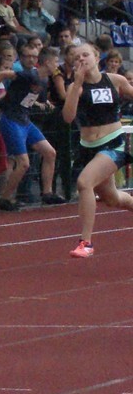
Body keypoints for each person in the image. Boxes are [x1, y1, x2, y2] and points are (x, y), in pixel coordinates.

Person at [61, 43, 133, 258]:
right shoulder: (76, 86)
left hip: (113, 143)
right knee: (112, 199)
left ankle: (86, 242)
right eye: (76, 57)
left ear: (96, 57)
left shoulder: (114, 80)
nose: (81, 59)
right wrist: (77, 84)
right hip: (88, 147)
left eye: (85, 55)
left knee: (85, 183)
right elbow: (68, 117)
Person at [0, 46, 64, 210]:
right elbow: (0, 75)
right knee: (23, 163)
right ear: (47, 62)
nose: (58, 65)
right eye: (56, 62)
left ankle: (47, 193)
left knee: (50, 153)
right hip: (12, 120)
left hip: (24, 121)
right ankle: (5, 198)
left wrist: (44, 103)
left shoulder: (44, 81)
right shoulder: (28, 75)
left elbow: (20, 94)